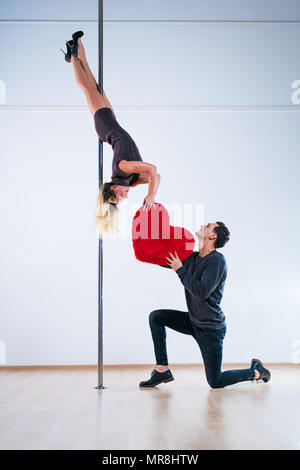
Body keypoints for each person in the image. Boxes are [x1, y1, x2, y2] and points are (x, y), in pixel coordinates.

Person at [140, 222, 271, 388]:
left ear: (213, 235)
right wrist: (147, 245)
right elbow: (165, 261)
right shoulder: (192, 257)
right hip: (194, 320)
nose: (203, 225)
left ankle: (257, 372)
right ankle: (162, 370)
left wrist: (180, 270)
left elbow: (202, 292)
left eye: (208, 225)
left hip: (211, 329)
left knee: (216, 382)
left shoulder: (217, 261)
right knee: (156, 317)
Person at [61, 31, 161, 235]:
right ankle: (75, 46)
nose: (125, 197)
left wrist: (151, 196)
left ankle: (72, 57)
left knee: (88, 88)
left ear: (113, 189)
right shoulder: (130, 181)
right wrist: (151, 191)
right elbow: (156, 176)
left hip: (105, 124)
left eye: (119, 197)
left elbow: (151, 167)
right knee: (95, 85)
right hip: (112, 121)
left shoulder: (123, 168)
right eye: (123, 198)